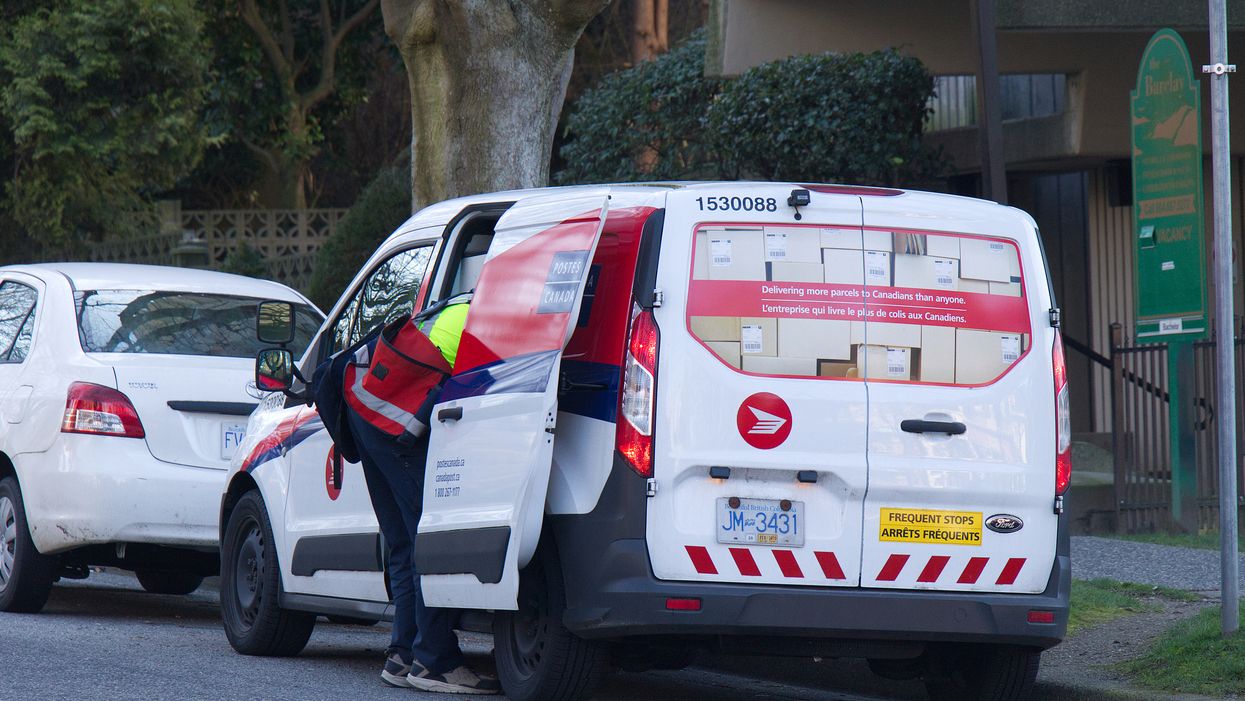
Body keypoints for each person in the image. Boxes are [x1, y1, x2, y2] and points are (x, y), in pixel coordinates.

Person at [327, 293, 498, 694]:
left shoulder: (456, 305)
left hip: (367, 411)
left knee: (403, 542)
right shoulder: (489, 315)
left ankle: (403, 654)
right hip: (394, 423)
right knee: (429, 538)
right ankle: (434, 661)